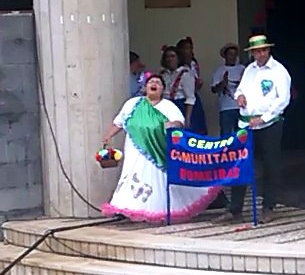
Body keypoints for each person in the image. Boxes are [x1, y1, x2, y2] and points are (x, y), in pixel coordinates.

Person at [100, 74, 221, 223]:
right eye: (151, 82)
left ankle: (156, 210)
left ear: (162, 89)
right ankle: (127, 208)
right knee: (132, 173)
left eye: (158, 82)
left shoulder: (168, 106)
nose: (154, 84)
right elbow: (119, 122)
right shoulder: (133, 103)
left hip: (158, 150)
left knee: (155, 177)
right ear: (145, 87)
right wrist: (108, 136)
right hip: (134, 148)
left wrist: (172, 125)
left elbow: (179, 123)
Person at [220, 34, 291, 224]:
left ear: (268, 50)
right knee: (240, 165)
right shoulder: (249, 69)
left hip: (269, 124)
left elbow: (282, 99)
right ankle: (235, 209)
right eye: (256, 51)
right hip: (246, 123)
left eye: (263, 50)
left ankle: (268, 206)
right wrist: (239, 97)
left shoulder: (279, 71)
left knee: (270, 165)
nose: (260, 54)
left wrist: (263, 118)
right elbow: (241, 89)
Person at [209, 43, 244, 137]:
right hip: (225, 108)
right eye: (230, 54)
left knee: (241, 136)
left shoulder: (242, 69)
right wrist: (223, 84)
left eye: (234, 54)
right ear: (225, 56)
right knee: (226, 136)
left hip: (241, 108)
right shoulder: (220, 70)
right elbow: (213, 89)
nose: (233, 57)